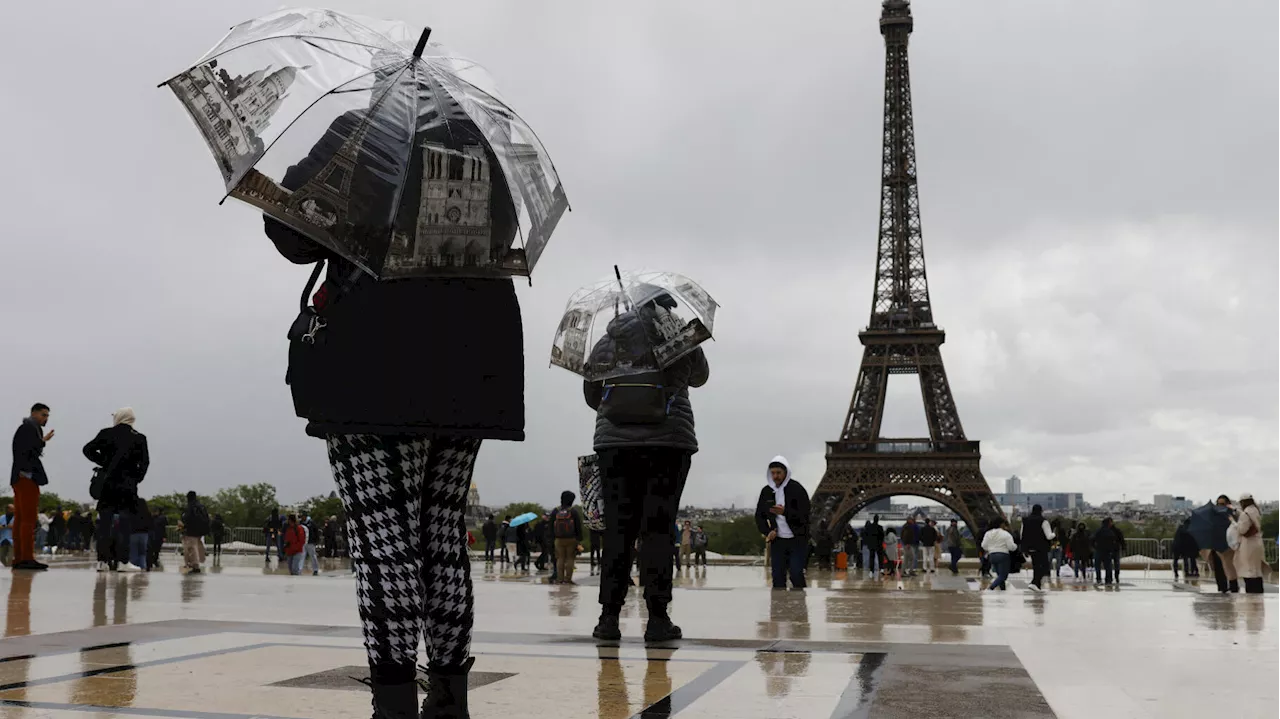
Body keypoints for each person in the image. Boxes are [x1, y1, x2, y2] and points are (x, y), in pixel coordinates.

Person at [585, 294, 710, 646]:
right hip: (669, 441)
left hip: (615, 444)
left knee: (617, 531)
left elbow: (592, 394)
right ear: (667, 306)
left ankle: (608, 618)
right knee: (658, 530)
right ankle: (657, 619)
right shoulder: (679, 337)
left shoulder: (608, 340)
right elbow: (700, 377)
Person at [83, 408, 151, 572]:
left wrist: (103, 463)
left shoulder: (106, 433)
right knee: (125, 525)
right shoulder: (139, 438)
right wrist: (136, 477)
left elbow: (87, 449)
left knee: (104, 524)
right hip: (127, 485)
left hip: (108, 483)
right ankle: (123, 560)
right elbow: (145, 462)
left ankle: (102, 561)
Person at [754, 457, 810, 591]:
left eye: (778, 473)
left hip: (797, 540)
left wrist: (785, 512)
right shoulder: (766, 492)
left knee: (796, 574)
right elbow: (759, 516)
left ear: (786, 472)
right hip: (778, 541)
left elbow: (805, 514)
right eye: (773, 473)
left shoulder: (797, 489)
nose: (775, 476)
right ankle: (779, 608)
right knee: (777, 577)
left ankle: (799, 606)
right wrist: (768, 532)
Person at [10, 403, 53, 571]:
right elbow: (29, 450)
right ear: (34, 413)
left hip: (20, 478)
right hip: (26, 477)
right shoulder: (29, 429)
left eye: (47, 415)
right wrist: (43, 442)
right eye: (43, 415)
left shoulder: (27, 428)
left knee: (20, 519)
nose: (46, 419)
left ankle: (19, 557)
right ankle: (26, 557)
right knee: (27, 519)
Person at [1233, 493, 1265, 594]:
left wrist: (1234, 524)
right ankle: (1259, 591)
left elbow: (1242, 530)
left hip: (1248, 544)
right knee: (1256, 570)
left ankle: (1251, 591)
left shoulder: (1245, 514)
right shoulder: (1256, 511)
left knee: (1248, 570)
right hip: (1258, 542)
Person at [1019, 504, 1054, 592]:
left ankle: (1037, 585)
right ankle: (1034, 582)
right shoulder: (1043, 521)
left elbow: (1021, 534)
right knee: (1044, 567)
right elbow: (1049, 536)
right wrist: (1055, 534)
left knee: (1036, 566)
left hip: (1029, 547)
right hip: (1041, 547)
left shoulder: (1025, 520)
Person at [552, 491, 584, 585]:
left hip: (558, 539)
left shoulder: (556, 510)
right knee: (570, 558)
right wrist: (579, 539)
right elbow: (578, 526)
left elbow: (551, 526)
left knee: (560, 558)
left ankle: (559, 579)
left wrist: (552, 538)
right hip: (571, 539)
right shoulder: (573, 511)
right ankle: (568, 579)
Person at [981, 519, 1016, 591]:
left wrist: (991, 548)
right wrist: (1015, 546)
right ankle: (991, 587)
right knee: (1003, 576)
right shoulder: (1005, 534)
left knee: (999, 575)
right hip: (1003, 555)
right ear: (1001, 524)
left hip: (992, 555)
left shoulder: (988, 533)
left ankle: (1003, 589)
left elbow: (983, 545)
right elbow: (1011, 547)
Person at [180, 491, 209, 574]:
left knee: (192, 548)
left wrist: (184, 525)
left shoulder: (191, 506)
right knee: (197, 546)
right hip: (200, 530)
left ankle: (195, 565)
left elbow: (187, 518)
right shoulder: (201, 506)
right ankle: (198, 561)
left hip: (191, 530)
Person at [1092, 518, 1121, 585]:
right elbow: (1113, 542)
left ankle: (1098, 579)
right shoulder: (1110, 532)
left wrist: (1095, 547)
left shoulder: (1098, 531)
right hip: (1107, 552)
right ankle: (1108, 580)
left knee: (1097, 566)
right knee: (1108, 566)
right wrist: (1111, 549)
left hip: (1099, 550)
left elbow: (1092, 539)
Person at [127, 497, 152, 572]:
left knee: (133, 552)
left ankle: (134, 566)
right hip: (144, 534)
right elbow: (150, 524)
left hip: (133, 534)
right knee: (143, 552)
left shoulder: (132, 513)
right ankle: (143, 567)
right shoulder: (147, 513)